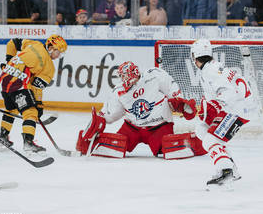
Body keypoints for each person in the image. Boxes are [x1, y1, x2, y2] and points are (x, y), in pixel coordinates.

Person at [76, 61, 206, 159]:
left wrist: (179, 101)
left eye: (127, 77)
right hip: (132, 128)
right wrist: (100, 120)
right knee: (119, 145)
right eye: (123, 77)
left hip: (159, 126)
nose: (125, 80)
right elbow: (111, 115)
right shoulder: (119, 91)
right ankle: (87, 144)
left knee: (168, 147)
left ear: (135, 73)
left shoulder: (154, 75)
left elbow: (171, 87)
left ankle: (198, 142)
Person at [190, 39, 258, 188]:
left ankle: (226, 170)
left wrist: (214, 105)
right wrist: (207, 109)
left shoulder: (210, 70)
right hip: (237, 106)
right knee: (202, 129)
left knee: (209, 140)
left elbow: (229, 92)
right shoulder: (210, 68)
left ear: (195, 56)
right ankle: (231, 168)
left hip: (238, 109)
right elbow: (216, 96)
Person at [0, 35, 68, 153]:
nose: (59, 55)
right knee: (31, 112)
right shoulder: (49, 67)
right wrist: (38, 104)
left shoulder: (34, 44)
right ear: (50, 47)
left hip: (4, 79)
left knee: (12, 109)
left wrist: (9, 61)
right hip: (17, 84)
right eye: (58, 52)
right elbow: (36, 87)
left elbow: (12, 42)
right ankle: (28, 143)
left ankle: (3, 138)